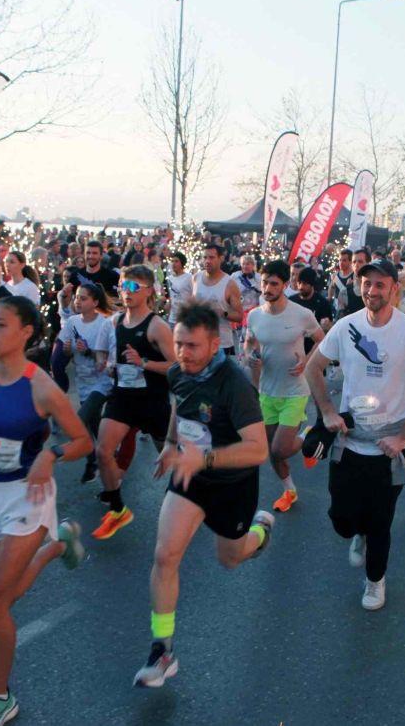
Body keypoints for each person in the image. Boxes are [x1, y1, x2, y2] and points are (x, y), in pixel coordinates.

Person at [0, 296, 91, 722]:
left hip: (27, 497)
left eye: (1, 325)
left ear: (26, 332)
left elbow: (84, 440)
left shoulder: (41, 387)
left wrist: (53, 455)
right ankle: (55, 547)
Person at [133, 300, 273, 688]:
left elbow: (259, 449)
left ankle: (259, 532)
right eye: (178, 343)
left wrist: (204, 458)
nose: (182, 353)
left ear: (214, 345)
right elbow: (180, 404)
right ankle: (163, 650)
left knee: (230, 559)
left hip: (233, 484)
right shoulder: (179, 371)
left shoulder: (236, 384)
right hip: (190, 474)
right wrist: (169, 442)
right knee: (164, 554)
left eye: (192, 346)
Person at [306, 259, 405, 610]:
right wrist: (328, 412)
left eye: (380, 284)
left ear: (395, 290)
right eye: (366, 283)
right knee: (342, 521)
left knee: (382, 521)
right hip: (349, 443)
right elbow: (313, 368)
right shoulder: (345, 326)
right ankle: (357, 533)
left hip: (391, 448)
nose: (372, 290)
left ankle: (375, 581)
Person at [93, 266, 176, 540]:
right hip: (123, 398)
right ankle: (118, 510)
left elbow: (177, 366)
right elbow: (118, 357)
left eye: (133, 288)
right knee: (103, 451)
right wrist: (111, 367)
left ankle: (187, 498)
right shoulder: (117, 322)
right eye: (123, 286)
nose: (125, 293)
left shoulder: (157, 326)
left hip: (152, 401)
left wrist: (144, 363)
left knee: (172, 459)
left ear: (149, 291)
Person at [244, 261, 324, 513]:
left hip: (295, 391)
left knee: (280, 448)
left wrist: (307, 361)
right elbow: (248, 343)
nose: (267, 288)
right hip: (267, 392)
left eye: (273, 284)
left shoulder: (301, 314)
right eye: (264, 282)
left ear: (285, 285)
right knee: (274, 453)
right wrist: (249, 355)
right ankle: (289, 491)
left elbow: (322, 341)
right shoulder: (255, 315)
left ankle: (308, 434)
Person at [60, 283, 114, 484]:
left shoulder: (105, 324)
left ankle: (93, 458)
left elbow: (109, 356)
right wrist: (66, 349)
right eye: (77, 298)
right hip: (82, 381)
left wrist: (89, 352)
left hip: (101, 382)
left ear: (95, 302)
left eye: (83, 298)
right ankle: (106, 453)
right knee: (94, 423)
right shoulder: (72, 322)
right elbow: (65, 351)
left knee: (80, 419)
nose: (78, 301)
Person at [191, 244, 243, 355]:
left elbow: (239, 316)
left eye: (211, 257)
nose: (207, 261)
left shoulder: (229, 284)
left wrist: (222, 312)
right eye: (205, 257)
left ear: (221, 259)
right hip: (199, 340)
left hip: (221, 344)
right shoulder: (196, 278)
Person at [290, 267, 335, 346]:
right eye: (299, 282)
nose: (301, 286)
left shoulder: (322, 303)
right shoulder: (291, 301)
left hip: (315, 346)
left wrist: (326, 326)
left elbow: (328, 328)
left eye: (304, 283)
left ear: (312, 284)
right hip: (294, 345)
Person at [165, 251, 193, 324]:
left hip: (185, 319)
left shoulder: (189, 277)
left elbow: (194, 296)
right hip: (172, 319)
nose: (173, 264)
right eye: (172, 261)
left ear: (182, 263)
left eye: (176, 261)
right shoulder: (169, 278)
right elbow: (171, 297)